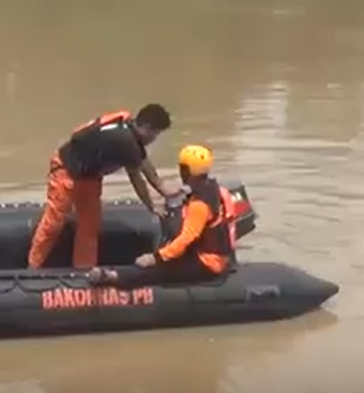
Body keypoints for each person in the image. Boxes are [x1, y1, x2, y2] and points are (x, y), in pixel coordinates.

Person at [28, 104, 179, 269]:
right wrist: (151, 206)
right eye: (156, 133)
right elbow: (136, 177)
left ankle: (84, 268)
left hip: (90, 175)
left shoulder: (129, 129)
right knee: (54, 223)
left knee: (90, 224)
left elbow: (143, 161)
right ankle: (33, 267)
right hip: (66, 169)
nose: (155, 138)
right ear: (147, 128)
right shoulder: (125, 140)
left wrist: (162, 188)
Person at [87, 144, 237, 288]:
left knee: (160, 270)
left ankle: (113, 276)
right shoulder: (213, 189)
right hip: (212, 256)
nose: (180, 172)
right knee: (167, 259)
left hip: (208, 263)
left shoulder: (200, 204)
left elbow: (187, 238)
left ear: (187, 170)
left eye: (182, 168)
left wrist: (156, 257)